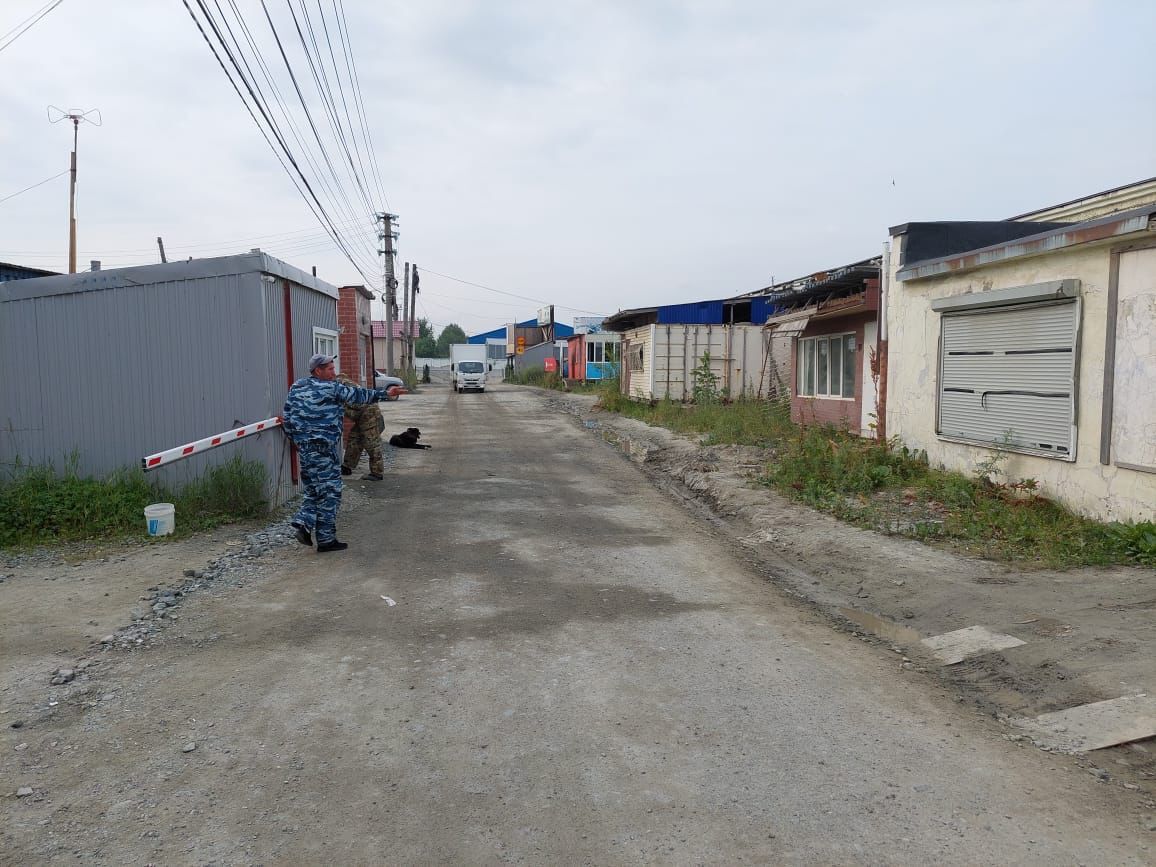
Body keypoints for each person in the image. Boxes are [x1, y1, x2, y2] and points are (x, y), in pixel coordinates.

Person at [282, 354, 392, 552]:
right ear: (318, 371)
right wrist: (386, 394)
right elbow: (359, 395)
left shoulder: (296, 387)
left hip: (306, 450)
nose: (334, 373)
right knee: (330, 493)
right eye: (330, 369)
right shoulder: (331, 388)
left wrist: (298, 441)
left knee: (314, 491)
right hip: (324, 450)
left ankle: (305, 524)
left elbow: (287, 417)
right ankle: (320, 535)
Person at [337, 373, 386, 481]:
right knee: (354, 439)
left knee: (371, 443)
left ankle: (377, 473)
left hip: (369, 414)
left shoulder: (343, 386)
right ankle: (347, 466)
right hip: (361, 416)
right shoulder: (340, 385)